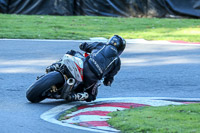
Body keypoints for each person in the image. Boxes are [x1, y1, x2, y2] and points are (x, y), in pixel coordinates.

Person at [46, 35, 126, 102]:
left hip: (84, 65)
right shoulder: (117, 62)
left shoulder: (101, 45)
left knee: (71, 52)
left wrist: (82, 45)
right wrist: (108, 82)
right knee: (92, 96)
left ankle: (55, 66)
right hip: (92, 78)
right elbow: (109, 79)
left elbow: (83, 46)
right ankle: (74, 96)